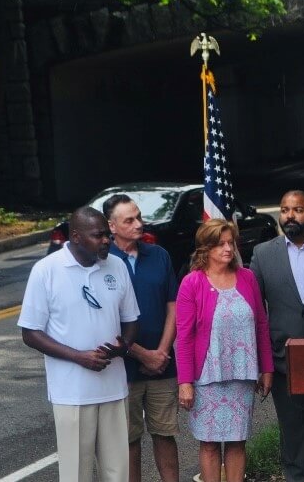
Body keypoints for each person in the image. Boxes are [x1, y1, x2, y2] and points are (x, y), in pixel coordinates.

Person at [18, 206, 140, 482]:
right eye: (98, 236)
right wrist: (78, 357)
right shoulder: (46, 271)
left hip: (114, 389)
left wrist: (125, 346)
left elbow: (132, 320)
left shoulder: (117, 266)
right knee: (76, 475)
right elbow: (30, 332)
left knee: (117, 473)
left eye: (107, 235)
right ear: (75, 237)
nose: (106, 241)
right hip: (72, 393)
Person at [249, 190, 304, 482]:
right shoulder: (263, 254)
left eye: (298, 210)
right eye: (285, 210)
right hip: (284, 358)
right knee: (293, 432)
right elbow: (254, 310)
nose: (290, 215)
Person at [175, 218, 274, 482]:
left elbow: (262, 325)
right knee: (208, 443)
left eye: (231, 243)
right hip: (206, 378)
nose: (228, 249)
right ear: (205, 248)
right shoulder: (192, 282)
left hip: (242, 376)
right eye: (220, 244)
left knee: (237, 441)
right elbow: (183, 337)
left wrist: (267, 368)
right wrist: (185, 382)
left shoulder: (248, 278)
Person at [102, 194, 180, 482]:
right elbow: (104, 320)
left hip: (163, 364)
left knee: (165, 433)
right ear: (111, 226)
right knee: (128, 439)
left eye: (138, 217)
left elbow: (173, 304)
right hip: (123, 369)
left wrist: (161, 351)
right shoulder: (103, 262)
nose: (138, 224)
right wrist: (142, 354)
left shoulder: (158, 254)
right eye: (129, 220)